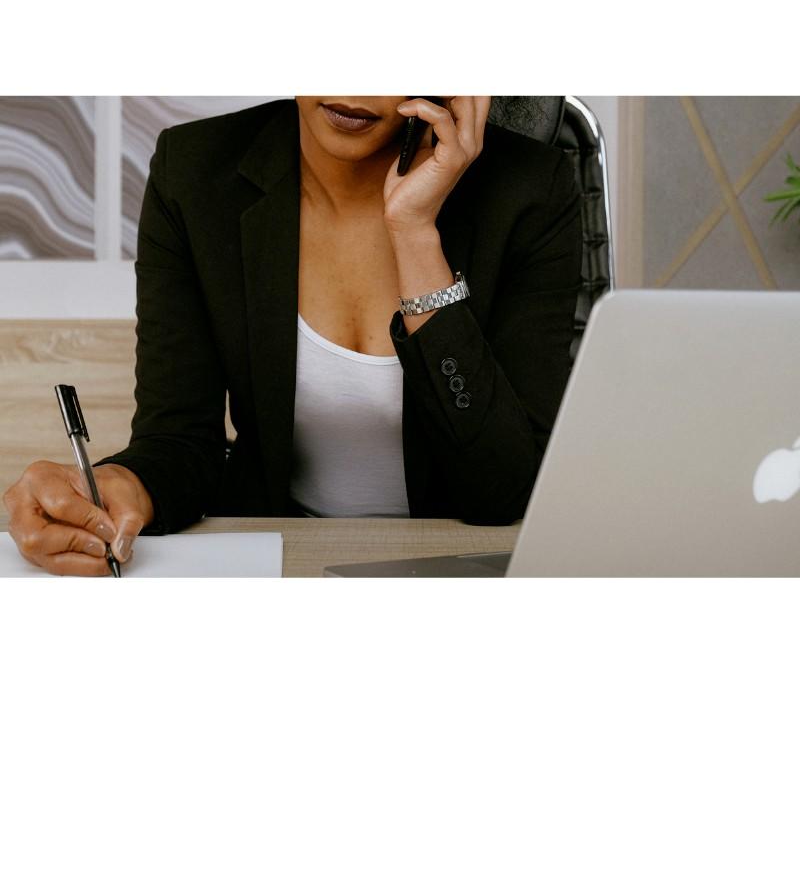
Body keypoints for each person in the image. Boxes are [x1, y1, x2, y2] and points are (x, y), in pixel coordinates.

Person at [2, 96, 583, 576]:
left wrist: (414, 233)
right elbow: (177, 440)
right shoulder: (196, 172)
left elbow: (502, 490)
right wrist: (117, 484)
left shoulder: (530, 188)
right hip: (276, 553)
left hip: (455, 566)